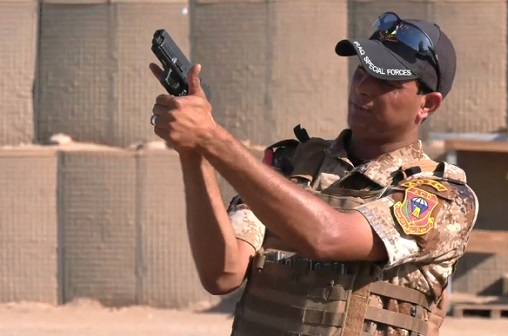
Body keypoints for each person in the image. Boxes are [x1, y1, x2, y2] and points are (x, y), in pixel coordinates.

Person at [149, 11, 479, 336]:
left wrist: (211, 137)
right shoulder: (292, 165)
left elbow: (326, 237)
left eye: (386, 81)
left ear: (428, 104)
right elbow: (222, 273)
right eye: (362, 71)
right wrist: (194, 153)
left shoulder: (441, 197)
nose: (363, 87)